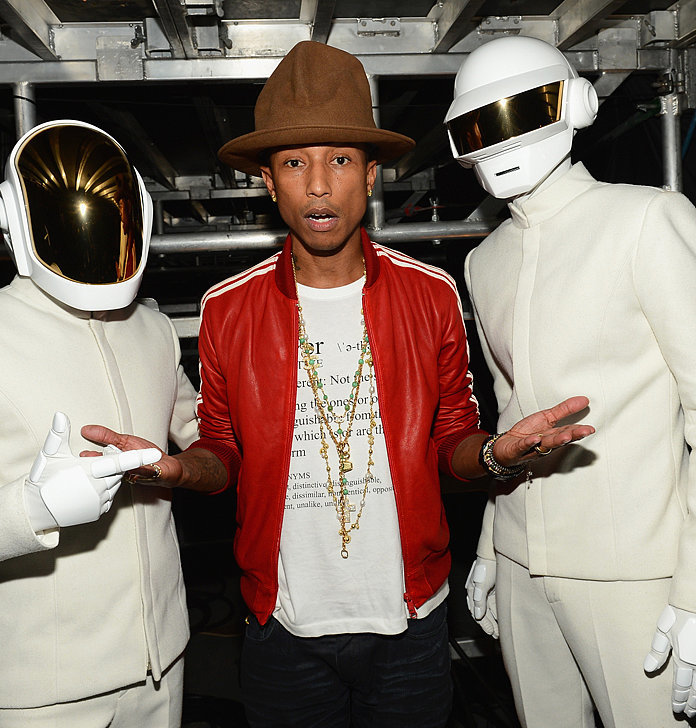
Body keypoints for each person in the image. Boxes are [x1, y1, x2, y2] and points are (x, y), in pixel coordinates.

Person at [84, 40, 593, 728]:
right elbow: (223, 453)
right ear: (269, 183)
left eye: (341, 161)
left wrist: (498, 454)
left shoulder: (431, 295)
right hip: (281, 625)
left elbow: (452, 443)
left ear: (372, 175)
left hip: (412, 618)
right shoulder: (228, 309)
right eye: (295, 163)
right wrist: (177, 469)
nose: (319, 186)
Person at [445, 34, 696, 728]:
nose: (500, 142)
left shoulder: (647, 220)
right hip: (519, 564)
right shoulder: (485, 261)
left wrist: (695, 587)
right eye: (479, 126)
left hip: (635, 574)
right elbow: (512, 419)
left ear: (574, 106)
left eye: (519, 113)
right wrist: (491, 545)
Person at [0, 119, 199, 727]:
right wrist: (32, 508)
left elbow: (204, 435)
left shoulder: (152, 328)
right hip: (39, 689)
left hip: (162, 665)